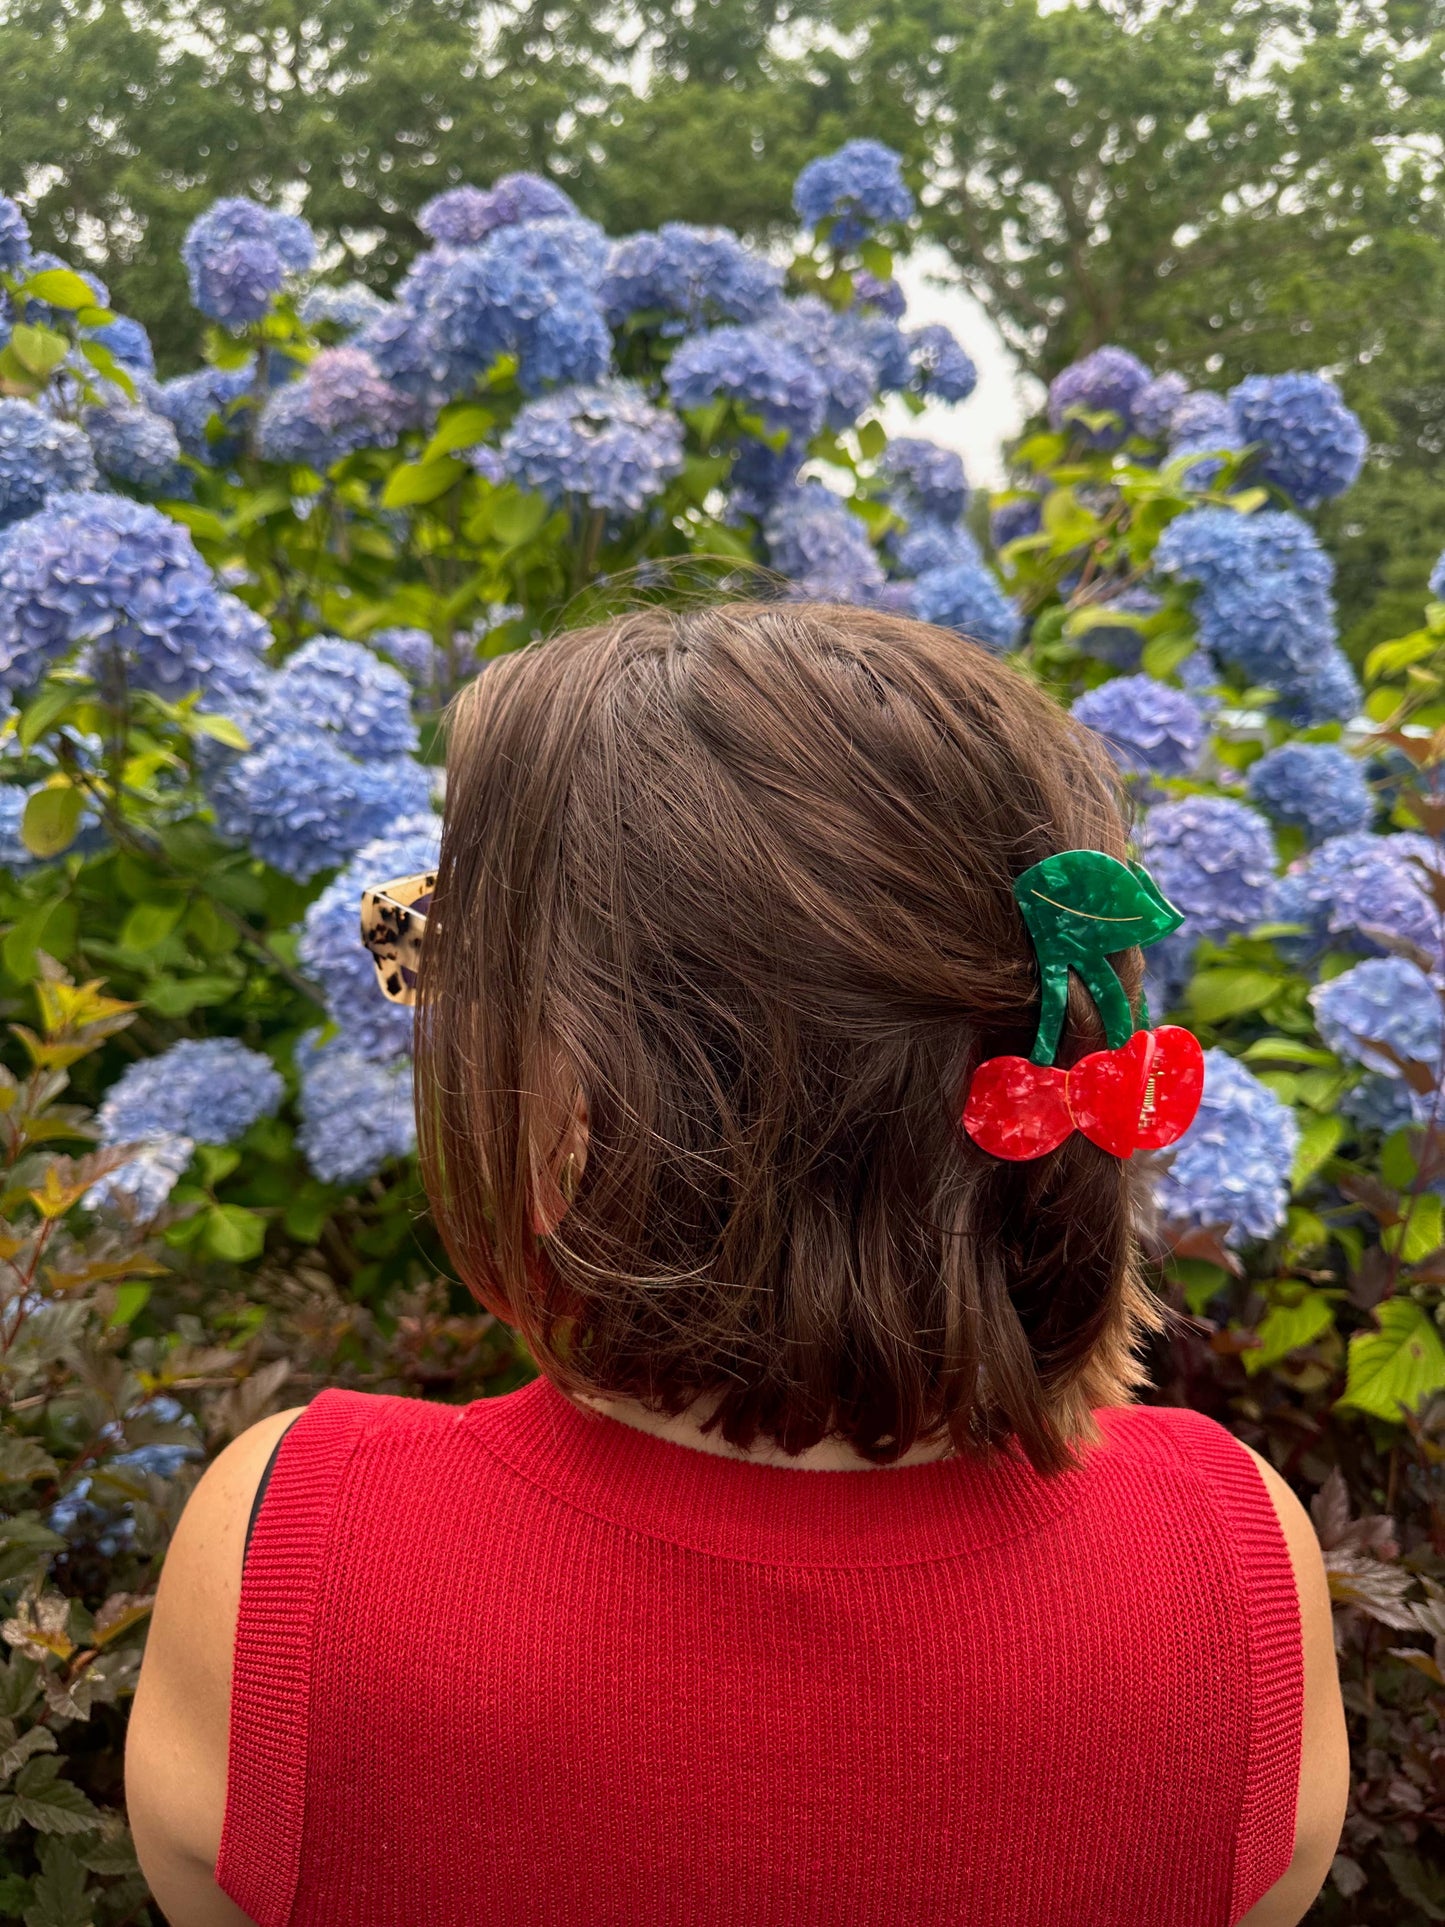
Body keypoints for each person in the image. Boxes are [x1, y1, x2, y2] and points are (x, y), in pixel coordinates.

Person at [125, 603, 1347, 1927]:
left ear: (585, 1083)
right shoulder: (1232, 1567)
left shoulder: (291, 1552)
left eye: (454, 953)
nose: (417, 971)